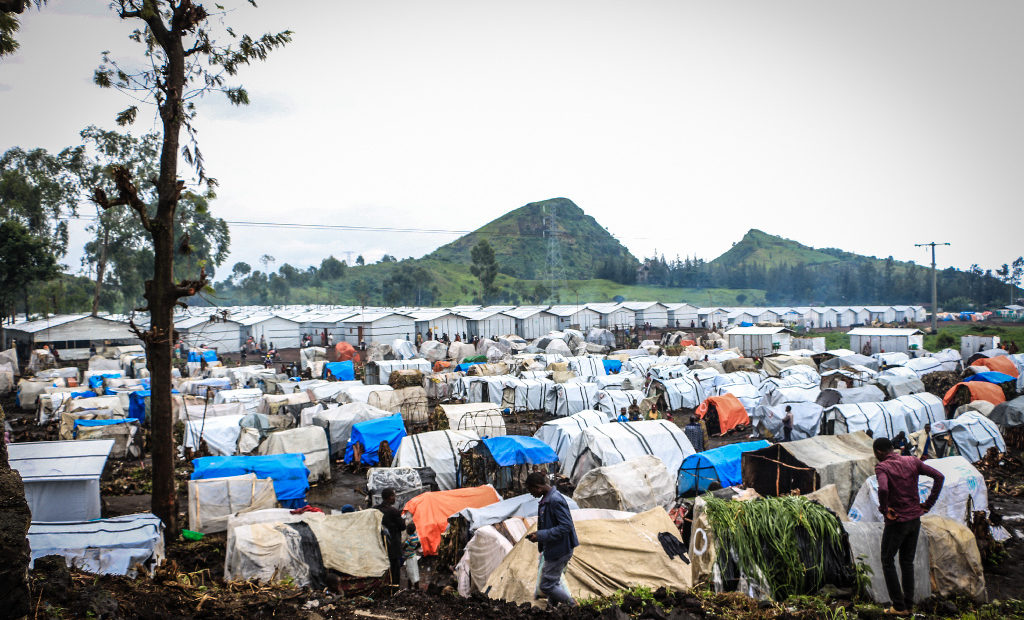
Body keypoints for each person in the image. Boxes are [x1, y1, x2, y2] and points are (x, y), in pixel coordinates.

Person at [873, 437, 944, 616]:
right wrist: (928, 503)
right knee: (907, 562)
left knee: (887, 560)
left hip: (898, 521)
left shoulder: (883, 467)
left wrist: (884, 509)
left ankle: (898, 606)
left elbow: (882, 489)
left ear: (879, 452)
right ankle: (908, 605)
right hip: (914, 519)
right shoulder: (912, 460)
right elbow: (939, 476)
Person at [525, 472, 578, 608]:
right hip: (555, 547)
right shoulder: (547, 499)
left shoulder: (554, 500)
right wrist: (539, 535)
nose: (531, 494)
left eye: (531, 491)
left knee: (546, 585)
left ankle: (572, 605)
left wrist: (541, 535)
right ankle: (552, 610)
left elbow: (566, 526)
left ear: (538, 487)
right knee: (553, 583)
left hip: (560, 549)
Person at [375, 488, 404, 586]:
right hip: (393, 545)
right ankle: (394, 588)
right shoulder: (393, 511)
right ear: (390, 497)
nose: (395, 498)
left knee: (382, 567)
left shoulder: (376, 509)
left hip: (380, 544)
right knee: (394, 568)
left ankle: (383, 585)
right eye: (393, 496)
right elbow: (403, 526)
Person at [403, 522, 422, 590]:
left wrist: (402, 550)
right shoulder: (416, 536)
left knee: (410, 572)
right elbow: (419, 544)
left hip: (409, 557)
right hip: (413, 556)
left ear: (408, 531)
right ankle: (415, 587)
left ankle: (410, 587)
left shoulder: (410, 538)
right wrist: (414, 549)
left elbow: (405, 546)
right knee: (414, 571)